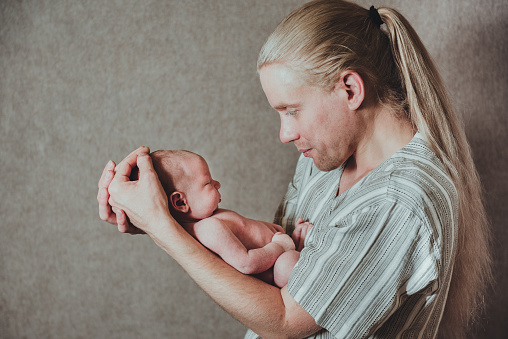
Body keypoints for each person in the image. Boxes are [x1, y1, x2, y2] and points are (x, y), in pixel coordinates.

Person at [97, 1, 492, 338]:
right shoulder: (324, 159)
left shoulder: (400, 201)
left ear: (350, 89)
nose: (285, 134)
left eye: (291, 110)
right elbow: (260, 269)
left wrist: (164, 231)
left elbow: (285, 319)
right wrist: (167, 212)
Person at [147, 149, 313, 287]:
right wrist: (279, 246)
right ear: (181, 202)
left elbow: (246, 228)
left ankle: (297, 246)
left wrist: (278, 234)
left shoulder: (211, 218)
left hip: (279, 250)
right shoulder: (207, 229)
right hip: (277, 267)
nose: (217, 184)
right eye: (208, 183)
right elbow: (246, 263)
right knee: (288, 265)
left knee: (292, 258)